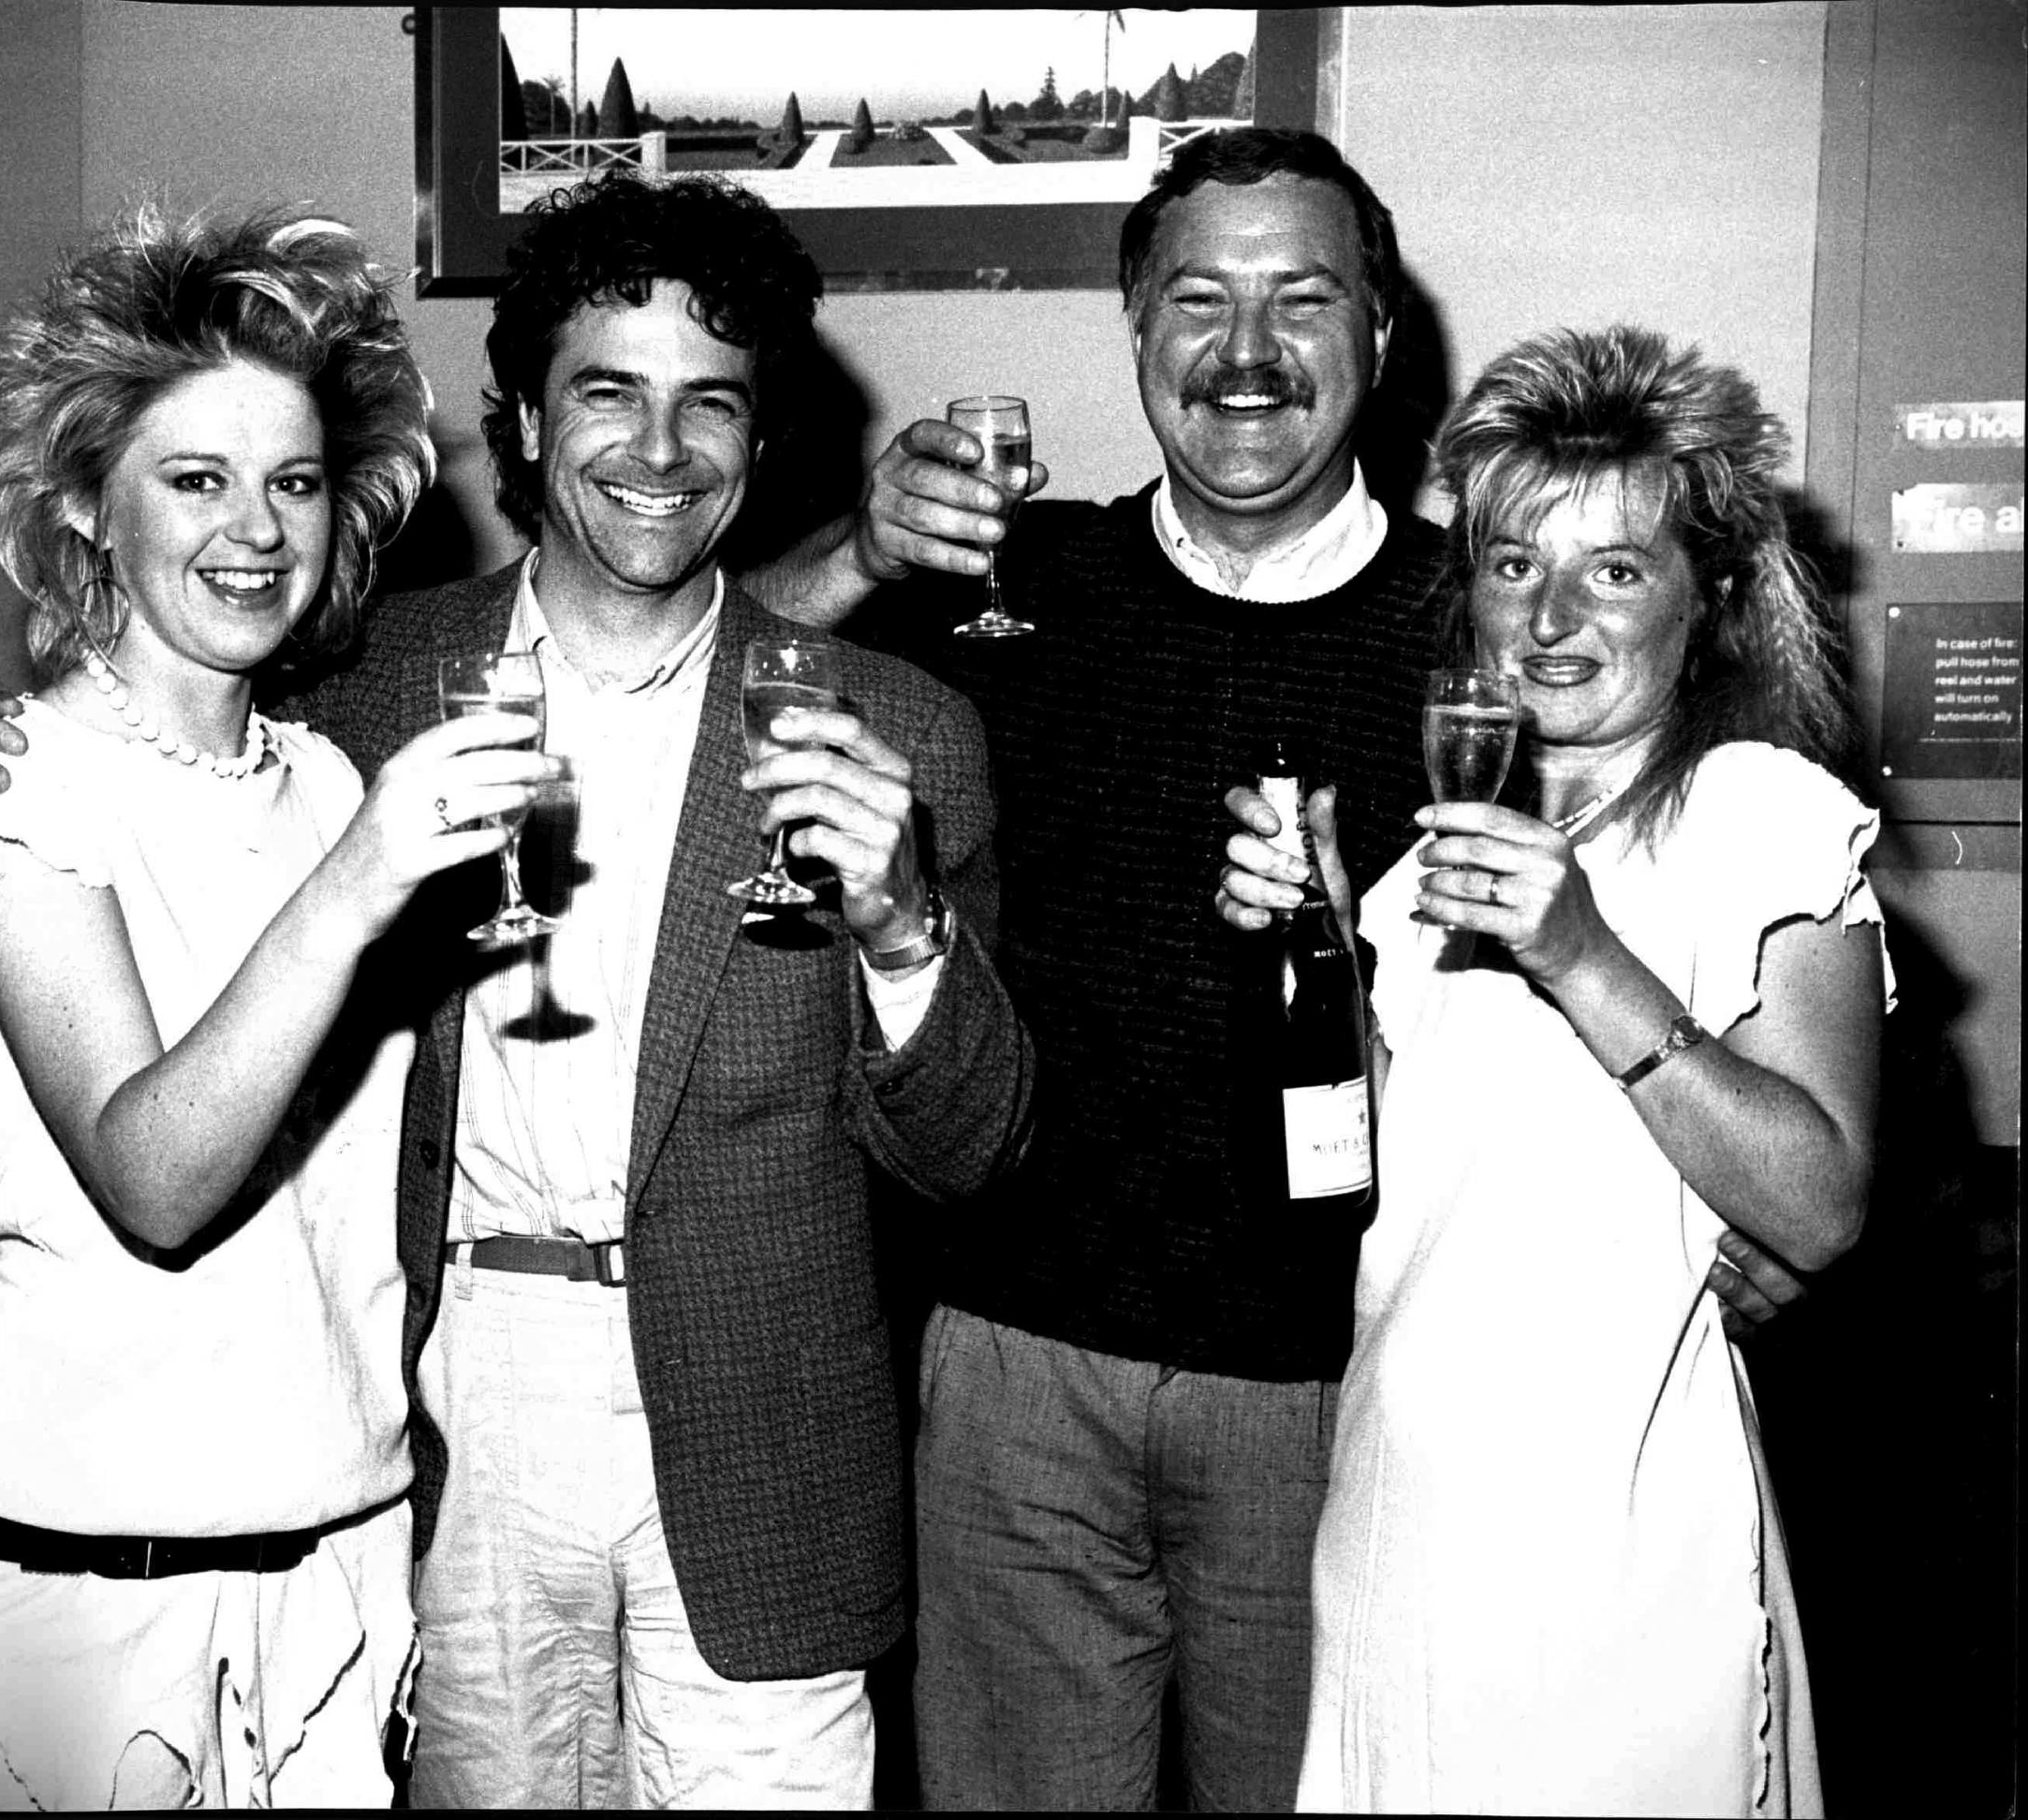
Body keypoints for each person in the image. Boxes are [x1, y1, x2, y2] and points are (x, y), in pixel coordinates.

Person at [0, 171, 1034, 1809]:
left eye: (713, 408)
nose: (660, 451)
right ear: (528, 432)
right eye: (606, 396)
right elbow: (125, 728)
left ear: (766, 449)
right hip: (437, 1410)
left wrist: (904, 934)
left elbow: (972, 1151)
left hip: (762, 1426)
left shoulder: (897, 728)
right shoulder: (370, 687)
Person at [746, 128, 1810, 1811]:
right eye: (1197, 303)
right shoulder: (1019, 585)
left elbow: (1685, 927)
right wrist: (863, 549)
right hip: (1021, 1368)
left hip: (1340, 1403)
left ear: (1381, 340)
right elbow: (710, 671)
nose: (1247, 355)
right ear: (1135, 334)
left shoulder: (1496, 638)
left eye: (1302, 300)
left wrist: (1726, 1235)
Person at [0, 206, 548, 1809]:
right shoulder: (12, 785)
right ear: (91, 505)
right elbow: (154, 1180)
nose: (256, 530)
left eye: (294, 482)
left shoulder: (321, 779)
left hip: (334, 1576)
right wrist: (370, 873)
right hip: (70, 1596)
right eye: (195, 478)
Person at [1236, 326, 1887, 1814]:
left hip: (1616, 1566)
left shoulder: (1762, 815)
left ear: (1707, 600)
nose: (1550, 615)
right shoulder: (1424, 875)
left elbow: (1824, 1203)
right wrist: (1320, 944)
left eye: (1615, 569)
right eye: (1515, 565)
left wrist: (1581, 950)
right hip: (1397, 1535)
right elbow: (1367, 1193)